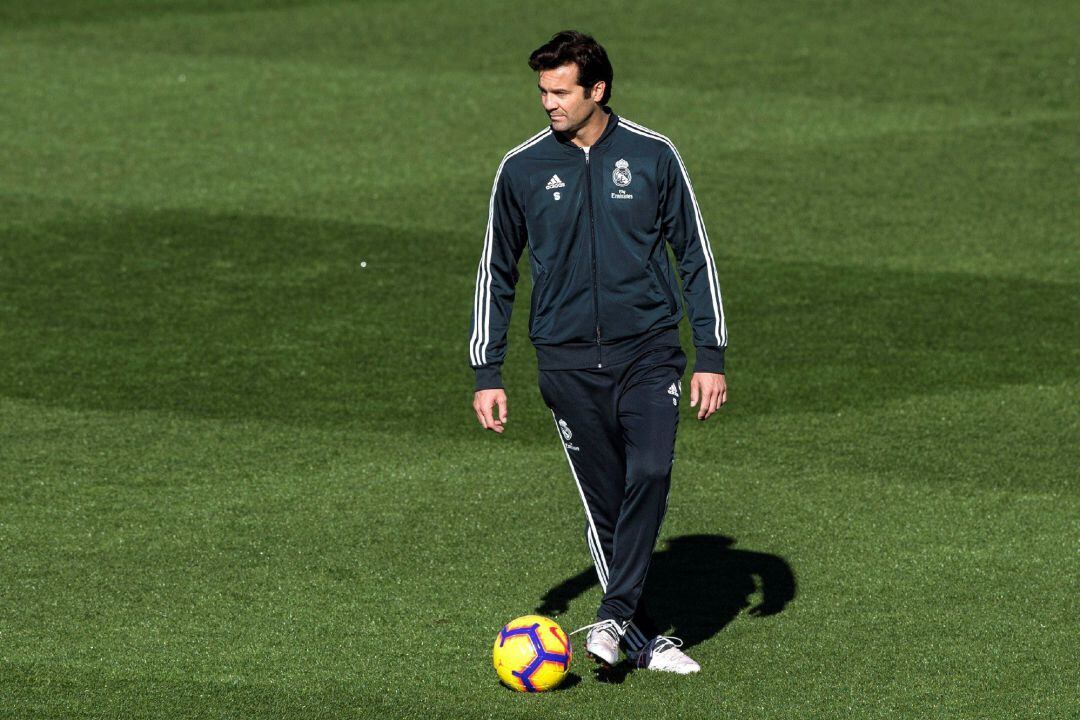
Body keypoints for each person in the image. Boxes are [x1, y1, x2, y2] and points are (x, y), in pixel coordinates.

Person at [468, 30, 728, 674]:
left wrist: (711, 356)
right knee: (606, 506)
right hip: (565, 362)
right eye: (543, 92)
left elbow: (694, 256)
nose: (549, 103)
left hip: (649, 353)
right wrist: (487, 369)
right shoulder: (521, 168)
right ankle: (639, 640)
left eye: (561, 91)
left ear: (597, 91)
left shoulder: (652, 156)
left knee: (651, 471)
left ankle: (613, 620)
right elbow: (495, 271)